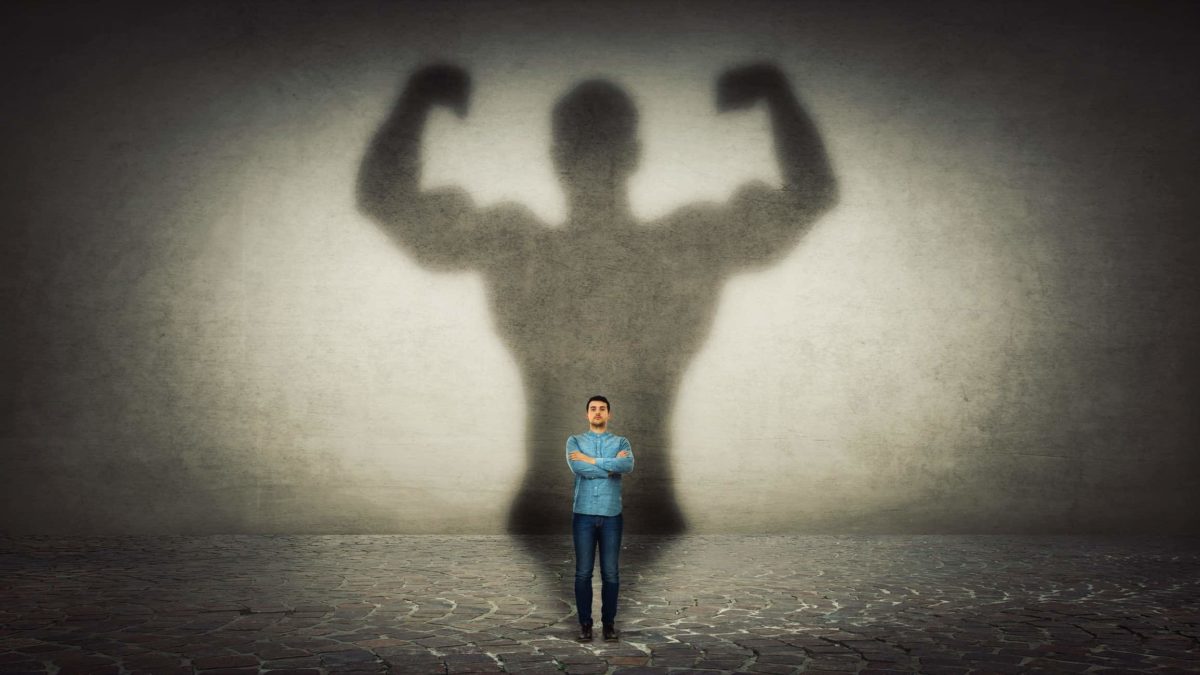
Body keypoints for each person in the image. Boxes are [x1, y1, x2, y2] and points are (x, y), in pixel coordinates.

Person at [357, 62, 836, 535]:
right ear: (634, 155)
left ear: (556, 157)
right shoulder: (681, 249)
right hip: (629, 513)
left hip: (567, 513)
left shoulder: (521, 249)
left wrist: (418, 98)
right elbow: (809, 194)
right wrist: (776, 94)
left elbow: (387, 200)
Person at [566, 395, 633, 641]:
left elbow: (627, 466)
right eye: (593, 409)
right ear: (587, 414)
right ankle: (585, 624)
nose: (597, 412)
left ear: (608, 414)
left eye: (602, 409)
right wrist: (610, 467)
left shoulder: (621, 441)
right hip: (583, 514)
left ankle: (608, 624)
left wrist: (592, 460)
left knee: (611, 573)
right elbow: (578, 468)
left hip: (611, 515)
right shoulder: (574, 441)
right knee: (583, 573)